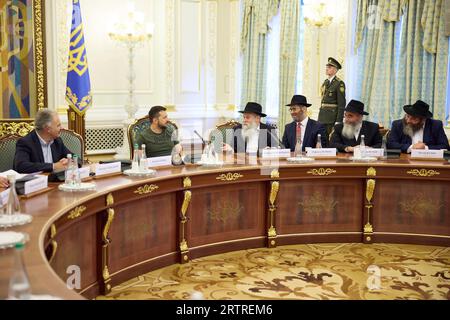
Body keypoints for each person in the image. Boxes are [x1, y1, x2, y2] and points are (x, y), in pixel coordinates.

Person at [13, 109, 72, 173]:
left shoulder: (57, 141)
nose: (62, 128)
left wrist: (69, 161)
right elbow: (21, 166)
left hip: (55, 181)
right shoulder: (26, 142)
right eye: (58, 125)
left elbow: (75, 157)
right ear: (47, 128)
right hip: (35, 182)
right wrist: (53, 166)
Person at [318, 57, 346, 137]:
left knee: (329, 142)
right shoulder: (326, 82)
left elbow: (342, 104)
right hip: (322, 117)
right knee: (321, 140)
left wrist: (338, 121)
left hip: (331, 118)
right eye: (327, 67)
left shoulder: (339, 83)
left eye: (329, 67)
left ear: (335, 70)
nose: (327, 69)